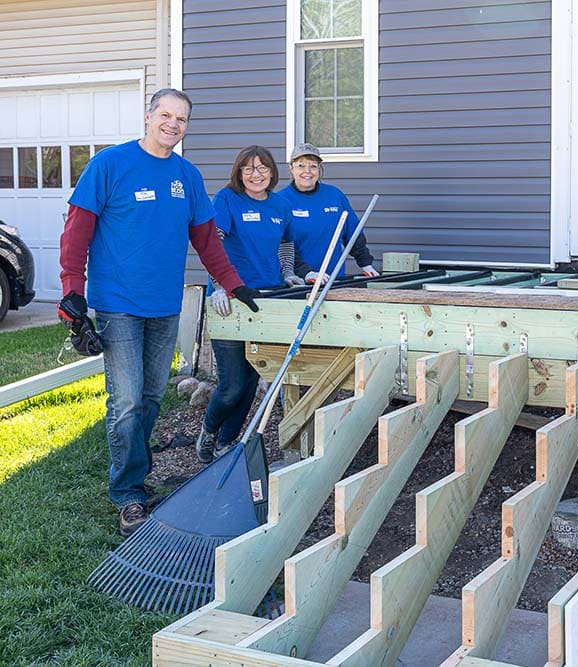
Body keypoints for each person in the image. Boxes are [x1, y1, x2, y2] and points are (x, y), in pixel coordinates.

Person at [59, 88, 260, 537]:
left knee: (150, 397)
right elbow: (76, 233)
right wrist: (72, 292)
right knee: (126, 400)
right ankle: (128, 492)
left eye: (182, 119)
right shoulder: (109, 165)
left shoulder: (186, 176)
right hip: (118, 304)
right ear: (148, 116)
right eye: (166, 115)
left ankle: (138, 471)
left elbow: (207, 240)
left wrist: (233, 283)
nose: (173, 124)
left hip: (166, 306)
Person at [195, 146, 296, 464]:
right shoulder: (226, 199)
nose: (256, 174)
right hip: (232, 300)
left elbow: (286, 243)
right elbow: (215, 243)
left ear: (272, 172)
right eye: (249, 168)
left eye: (263, 167)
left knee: (252, 380)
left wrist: (290, 273)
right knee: (232, 383)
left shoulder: (280, 204)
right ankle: (209, 430)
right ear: (239, 172)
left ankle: (226, 442)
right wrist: (221, 286)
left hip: (267, 301)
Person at [277, 143, 378, 285]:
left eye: (313, 165)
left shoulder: (334, 195)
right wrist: (306, 272)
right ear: (291, 167)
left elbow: (353, 233)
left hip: (333, 281)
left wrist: (365, 263)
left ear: (319, 168)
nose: (308, 171)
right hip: (298, 283)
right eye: (301, 165)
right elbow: (281, 246)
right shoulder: (280, 201)